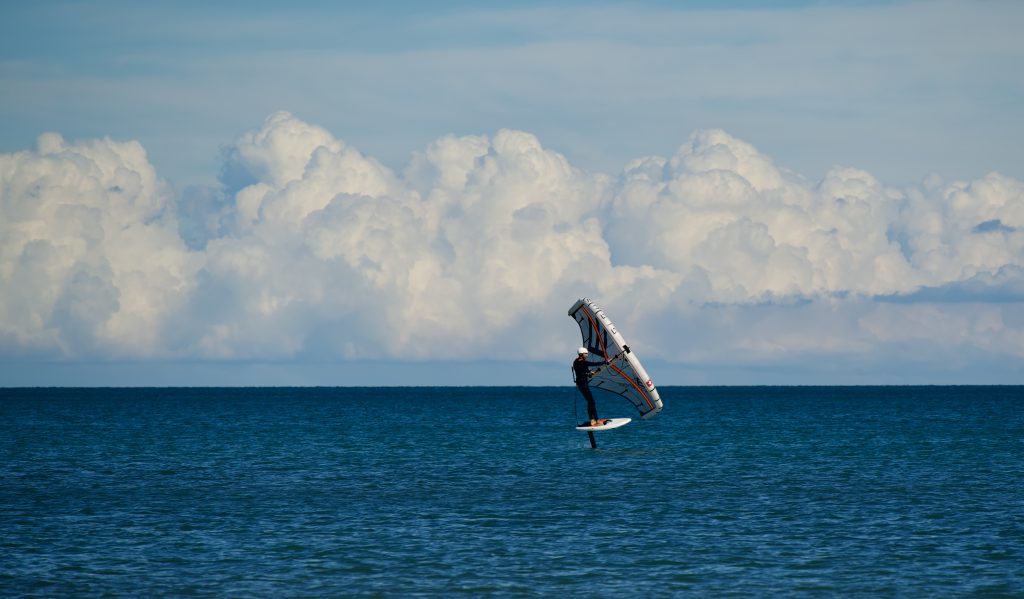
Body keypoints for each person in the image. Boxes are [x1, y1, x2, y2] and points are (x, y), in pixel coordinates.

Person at [572, 347, 609, 427]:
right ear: (582, 354)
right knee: (592, 402)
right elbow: (593, 364)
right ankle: (596, 420)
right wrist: (605, 362)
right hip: (582, 384)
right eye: (586, 353)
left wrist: (589, 372)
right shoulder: (581, 362)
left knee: (590, 401)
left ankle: (592, 420)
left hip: (582, 383)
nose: (587, 355)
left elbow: (583, 370)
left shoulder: (577, 361)